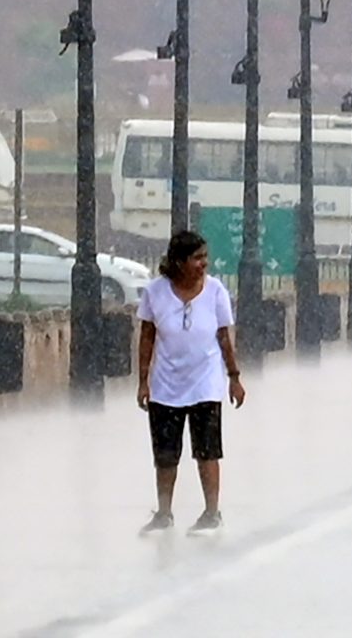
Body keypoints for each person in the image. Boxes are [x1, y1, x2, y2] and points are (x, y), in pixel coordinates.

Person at [136, 228, 244, 534]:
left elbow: (224, 336)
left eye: (205, 257)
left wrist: (234, 377)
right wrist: (143, 381)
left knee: (207, 451)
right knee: (166, 455)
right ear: (179, 261)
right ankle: (164, 514)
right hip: (165, 385)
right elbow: (146, 337)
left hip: (205, 383)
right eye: (197, 258)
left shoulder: (216, 292)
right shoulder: (155, 292)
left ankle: (212, 513)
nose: (204, 264)